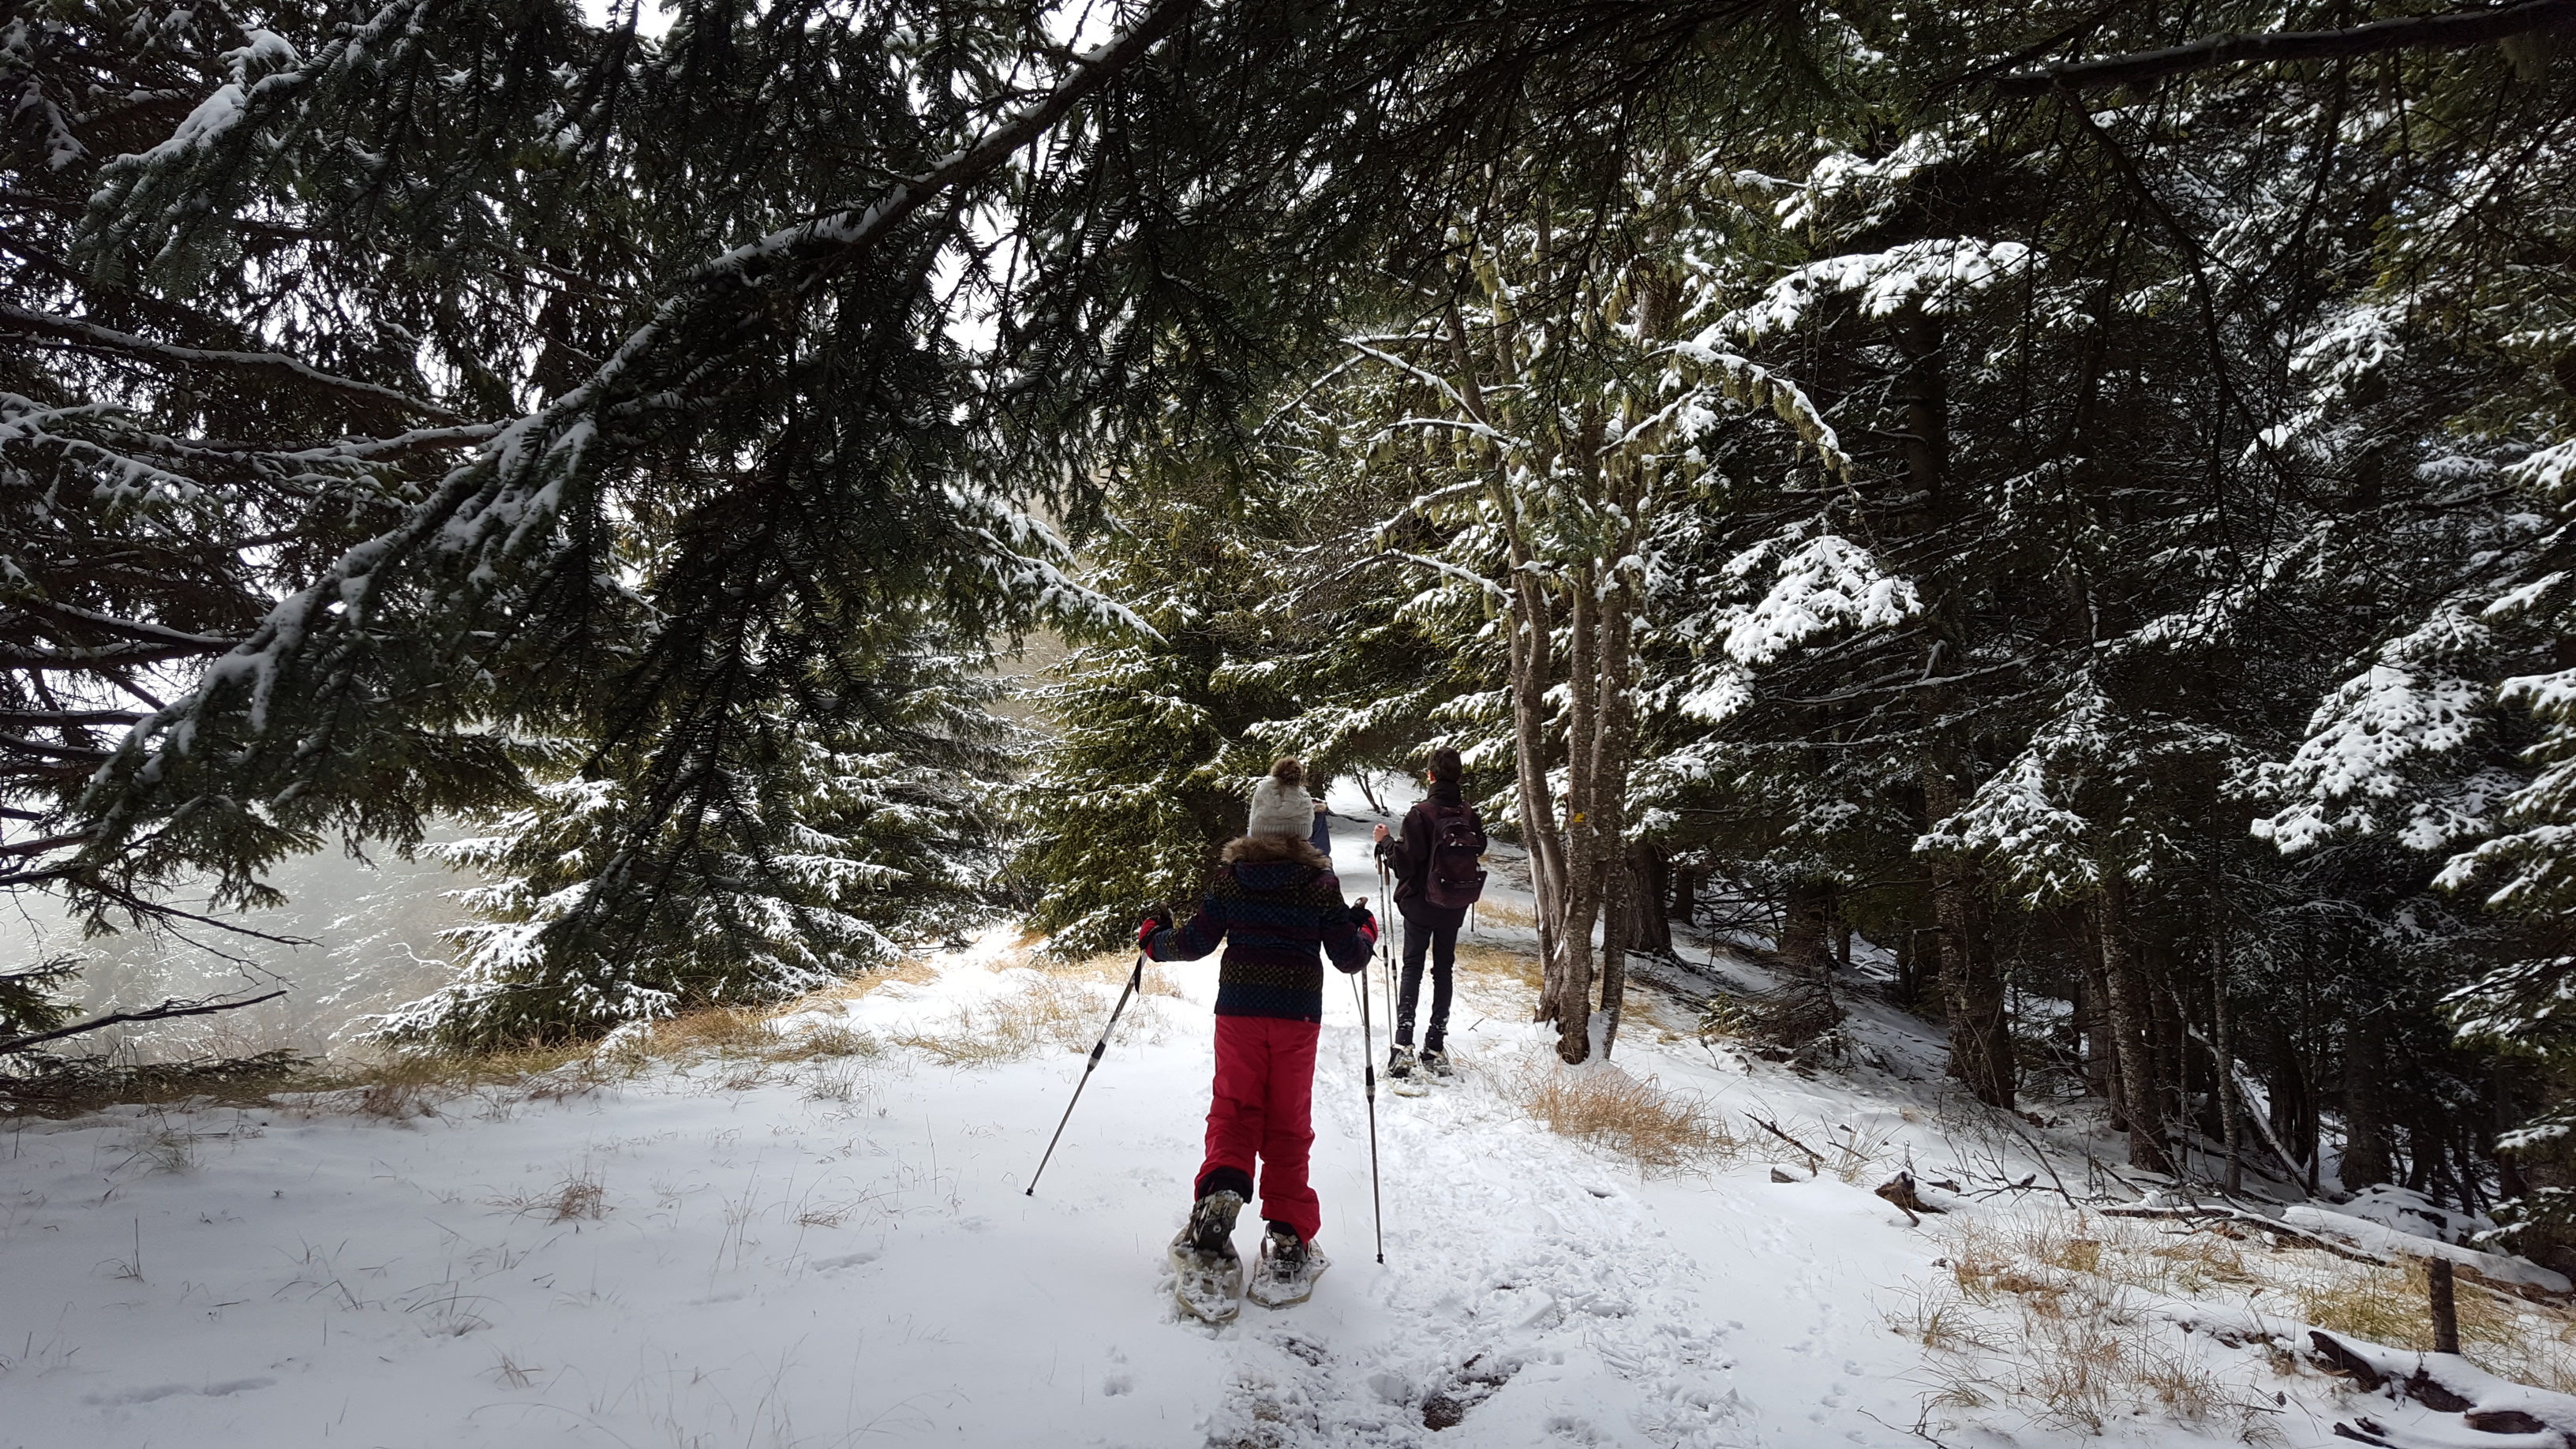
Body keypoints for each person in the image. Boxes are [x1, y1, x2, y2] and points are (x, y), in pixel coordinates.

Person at [1141, 757, 1376, 1305]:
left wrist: (1155, 938)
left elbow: (1196, 941)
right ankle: (1290, 1236)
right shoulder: (1319, 884)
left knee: (1235, 1109)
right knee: (1289, 1124)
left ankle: (1221, 1193)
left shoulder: (1233, 879)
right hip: (1297, 1019)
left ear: (1255, 825)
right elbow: (1347, 957)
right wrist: (1364, 929)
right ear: (1301, 830)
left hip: (1239, 1014)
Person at [1371, 747, 1481, 1081]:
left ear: (1430, 775)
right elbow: (1482, 846)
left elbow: (1405, 864)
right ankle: (1434, 1047)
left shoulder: (1421, 813)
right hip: (1455, 902)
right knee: (1443, 968)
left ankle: (1403, 1046)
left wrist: (1386, 842)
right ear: (1457, 776)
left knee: (1413, 967)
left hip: (1421, 904)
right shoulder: (1468, 814)